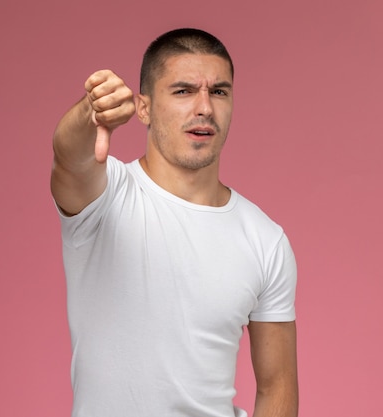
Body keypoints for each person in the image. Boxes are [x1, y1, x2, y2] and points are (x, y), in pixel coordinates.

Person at [51, 28, 298, 417]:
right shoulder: (106, 196)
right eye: (183, 91)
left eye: (218, 91)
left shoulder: (265, 239)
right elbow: (68, 158)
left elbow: (277, 385)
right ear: (144, 108)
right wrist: (90, 112)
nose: (204, 108)